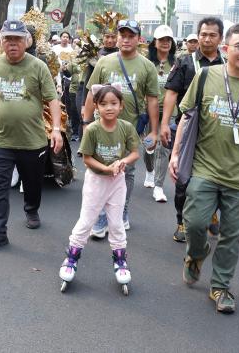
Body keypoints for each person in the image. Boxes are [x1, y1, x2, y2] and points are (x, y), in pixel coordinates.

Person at [169, 23, 239, 314]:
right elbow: (188, 117)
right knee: (193, 223)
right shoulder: (205, 76)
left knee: (231, 236)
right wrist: (176, 154)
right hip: (204, 169)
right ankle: (197, 253)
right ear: (226, 48)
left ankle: (220, 287)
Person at [0, 20, 63, 252]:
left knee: (32, 182)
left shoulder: (38, 67)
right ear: (1, 42)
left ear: (26, 41)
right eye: (8, 39)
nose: (12, 44)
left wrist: (55, 129)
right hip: (0, 139)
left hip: (32, 141)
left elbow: (52, 99)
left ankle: (31, 208)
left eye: (17, 39)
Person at [83, 19, 159, 236]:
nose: (126, 39)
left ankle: (122, 212)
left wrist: (154, 131)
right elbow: (91, 93)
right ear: (117, 38)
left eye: (131, 36)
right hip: (101, 128)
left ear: (138, 39)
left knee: (126, 172)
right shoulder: (104, 62)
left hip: (130, 129)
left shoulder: (146, 66)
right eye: (122, 35)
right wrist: (87, 122)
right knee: (100, 170)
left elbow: (152, 100)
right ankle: (100, 217)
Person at [58, 86, 139, 291]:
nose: (109, 108)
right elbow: (86, 158)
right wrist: (106, 168)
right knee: (86, 221)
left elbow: (134, 153)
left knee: (116, 223)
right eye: (103, 104)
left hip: (117, 182)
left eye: (113, 103)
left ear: (121, 106)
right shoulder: (93, 129)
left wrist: (122, 163)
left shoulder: (126, 127)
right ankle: (71, 259)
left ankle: (120, 261)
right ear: (96, 107)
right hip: (96, 181)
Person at [160, 16, 225, 242]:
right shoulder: (185, 62)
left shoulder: (227, 64)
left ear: (220, 38)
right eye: (203, 34)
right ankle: (182, 222)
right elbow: (171, 93)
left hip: (218, 131)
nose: (207, 39)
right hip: (187, 129)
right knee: (183, 178)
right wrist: (164, 124)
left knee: (217, 178)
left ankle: (211, 214)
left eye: (212, 35)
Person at [145, 25, 176, 203]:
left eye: (168, 40)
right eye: (162, 40)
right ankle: (149, 171)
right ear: (154, 42)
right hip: (149, 110)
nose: (165, 43)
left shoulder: (178, 63)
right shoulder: (146, 63)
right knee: (148, 145)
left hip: (170, 112)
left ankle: (158, 186)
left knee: (163, 147)